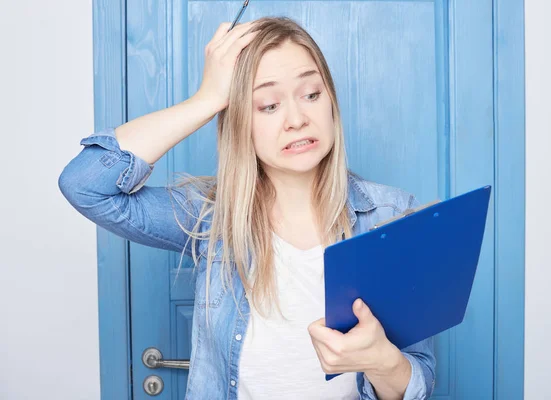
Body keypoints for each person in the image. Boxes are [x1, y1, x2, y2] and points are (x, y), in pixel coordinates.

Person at [59, 16, 435, 400]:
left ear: (331, 103)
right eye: (269, 105)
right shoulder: (208, 217)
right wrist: (206, 100)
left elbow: (418, 380)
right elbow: (85, 185)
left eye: (311, 94)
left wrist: (382, 361)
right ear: (240, 120)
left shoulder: (392, 214)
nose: (297, 119)